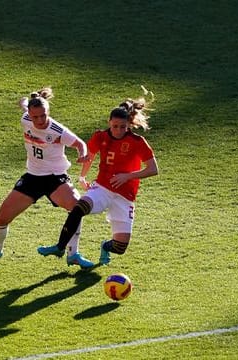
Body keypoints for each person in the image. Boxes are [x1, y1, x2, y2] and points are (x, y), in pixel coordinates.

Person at [0, 87, 94, 268]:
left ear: (48, 112)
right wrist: (23, 101)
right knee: (1, 218)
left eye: (43, 115)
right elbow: (24, 106)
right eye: (35, 116)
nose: (39, 120)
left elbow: (80, 143)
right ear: (30, 115)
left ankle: (73, 254)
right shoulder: (26, 119)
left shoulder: (58, 130)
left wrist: (83, 154)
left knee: (76, 206)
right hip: (32, 177)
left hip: (56, 177)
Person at [38, 91, 158, 265]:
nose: (118, 130)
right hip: (102, 188)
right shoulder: (100, 136)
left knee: (120, 247)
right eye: (115, 126)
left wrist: (128, 176)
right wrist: (82, 176)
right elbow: (90, 155)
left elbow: (153, 169)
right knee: (79, 207)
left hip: (125, 196)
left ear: (129, 125)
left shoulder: (137, 142)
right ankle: (60, 247)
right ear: (109, 122)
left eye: (123, 127)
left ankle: (105, 247)